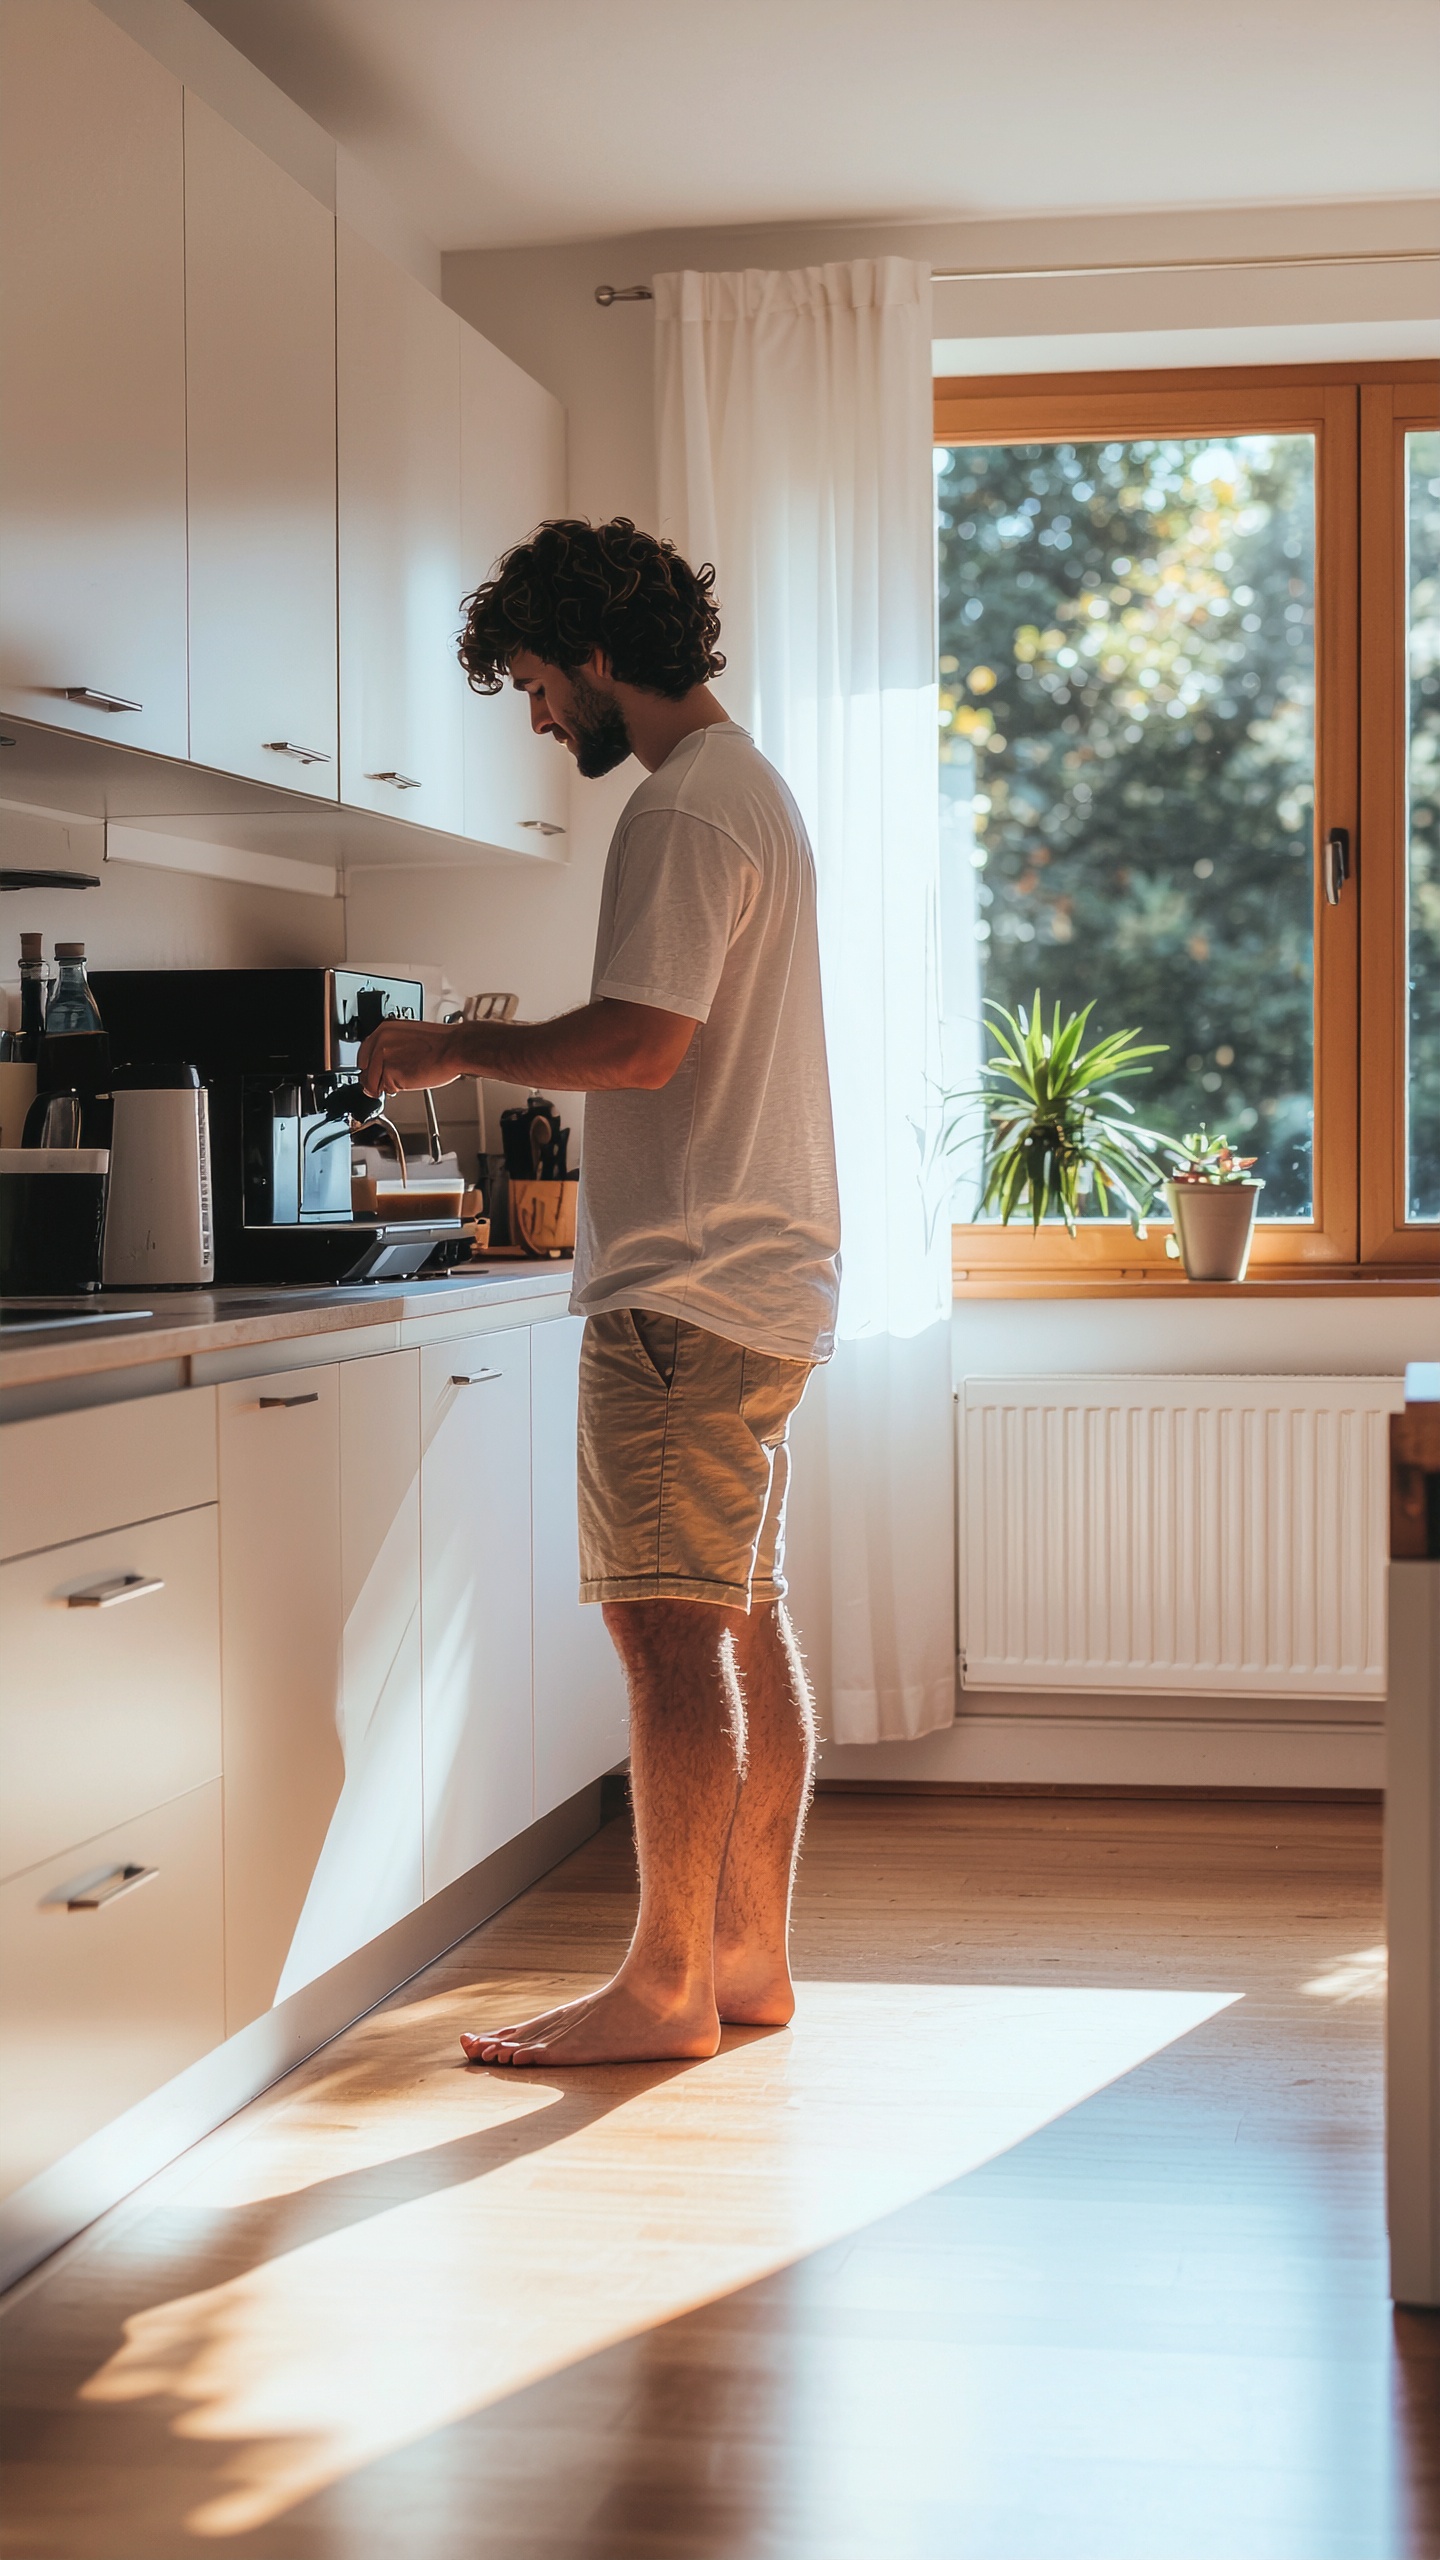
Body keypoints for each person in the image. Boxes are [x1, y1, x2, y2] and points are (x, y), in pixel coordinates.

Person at [358, 517, 840, 2067]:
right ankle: (744, 1957)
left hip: (686, 1289)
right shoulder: (743, 789)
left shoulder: (686, 811)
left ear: (597, 651)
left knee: (668, 1638)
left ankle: (663, 1982)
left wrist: (452, 1048)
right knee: (735, 1620)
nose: (539, 716)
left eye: (537, 683)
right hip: (753, 1278)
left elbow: (643, 1045)